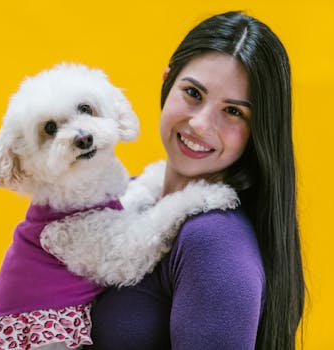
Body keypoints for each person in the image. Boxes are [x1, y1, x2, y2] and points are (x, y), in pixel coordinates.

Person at [86, 11, 305, 350]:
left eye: (233, 112)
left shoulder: (212, 239)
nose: (201, 124)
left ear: (259, 131)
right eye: (193, 93)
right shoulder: (124, 196)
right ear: (167, 81)